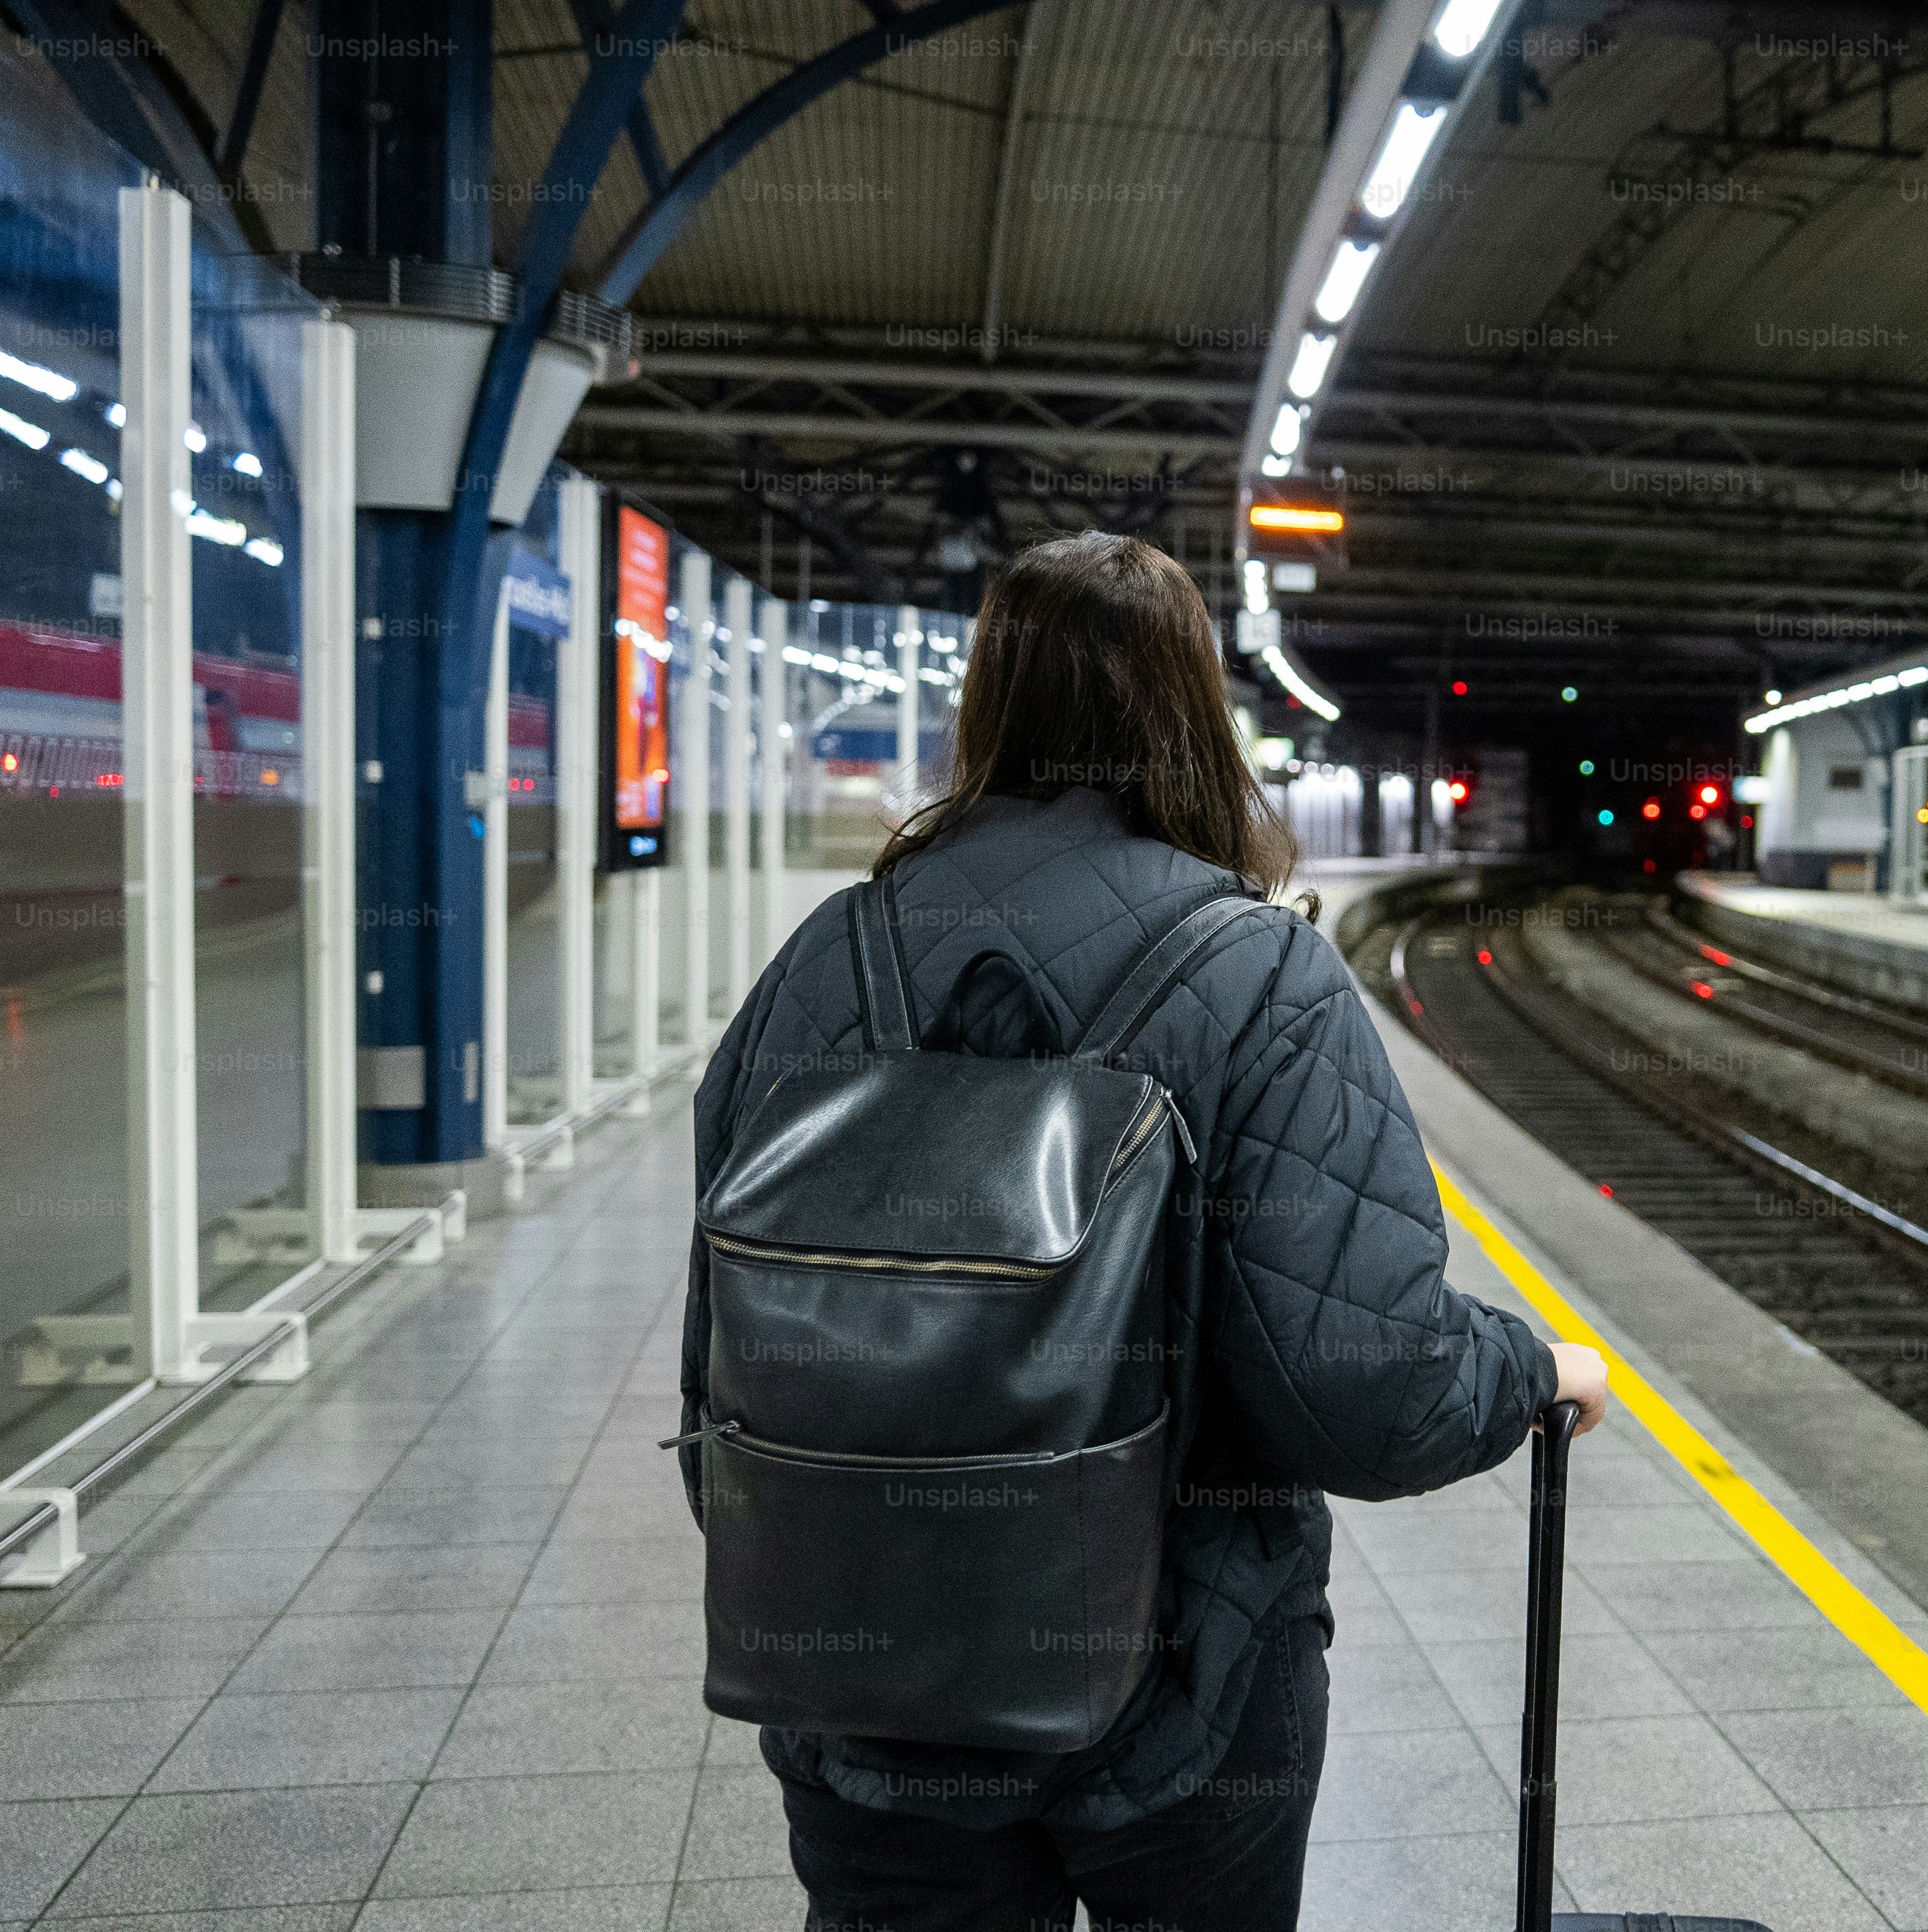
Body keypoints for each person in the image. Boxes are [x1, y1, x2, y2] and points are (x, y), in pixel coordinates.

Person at [684, 529, 1610, 1932]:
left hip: (864, 1682)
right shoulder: (1259, 974)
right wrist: (1531, 1372)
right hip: (1184, 1697)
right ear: (1193, 719)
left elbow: (725, 1356)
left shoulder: (826, 957)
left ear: (985, 710)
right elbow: (1362, 1387)